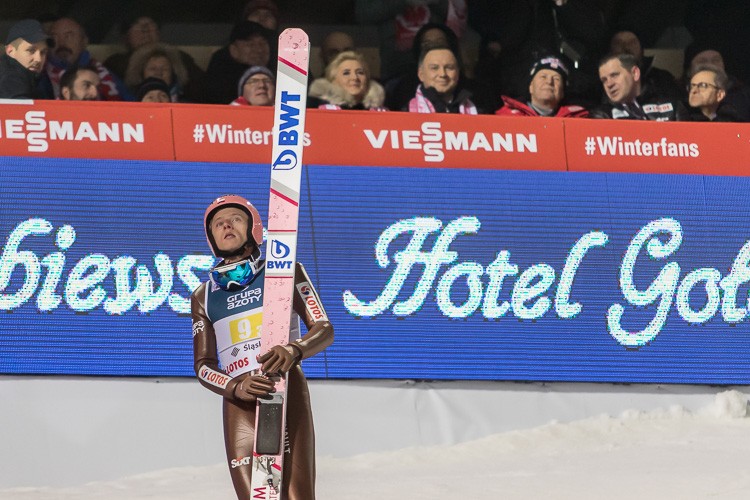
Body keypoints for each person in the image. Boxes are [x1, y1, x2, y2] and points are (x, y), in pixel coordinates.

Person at [191, 195, 333, 500]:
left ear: (254, 228)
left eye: (235, 219)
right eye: (218, 224)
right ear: (211, 237)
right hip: (239, 402)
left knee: (297, 496)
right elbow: (203, 366)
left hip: (284, 387)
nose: (226, 225)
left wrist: (294, 350)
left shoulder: (287, 272)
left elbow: (323, 329)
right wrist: (235, 387)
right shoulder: (203, 296)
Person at [102, 14, 205, 97]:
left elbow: (202, 91)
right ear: (126, 36)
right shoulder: (115, 64)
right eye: (136, 24)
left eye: (151, 23)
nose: (145, 29)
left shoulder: (180, 58)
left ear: (158, 32)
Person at [42, 16, 133, 101]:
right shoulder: (40, 75)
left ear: (84, 42)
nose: (61, 42)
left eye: (69, 36)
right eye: (54, 37)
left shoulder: (104, 75)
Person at [591, 53, 688, 121]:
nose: (609, 84)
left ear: (635, 73)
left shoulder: (672, 107)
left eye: (614, 75)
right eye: (604, 80)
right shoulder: (603, 115)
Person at [204, 20, 275, 104]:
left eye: (263, 43)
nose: (259, 50)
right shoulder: (220, 74)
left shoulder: (279, 69)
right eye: (250, 44)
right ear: (233, 49)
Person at [496, 55, 588, 118]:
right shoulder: (506, 117)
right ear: (531, 87)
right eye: (543, 76)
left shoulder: (578, 119)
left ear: (562, 92)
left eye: (556, 79)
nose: (549, 82)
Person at [608, 30, 682, 102]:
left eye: (632, 42)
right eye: (618, 43)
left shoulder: (662, 79)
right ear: (611, 50)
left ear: (641, 48)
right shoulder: (604, 83)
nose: (626, 47)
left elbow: (678, 106)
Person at [408, 42, 477, 114]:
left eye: (449, 67)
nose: (443, 74)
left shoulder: (477, 110)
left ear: (458, 73)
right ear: (421, 74)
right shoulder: (405, 111)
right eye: (434, 68)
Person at [308, 51, 386, 111]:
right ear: (333, 80)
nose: (354, 78)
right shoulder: (318, 110)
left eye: (360, 72)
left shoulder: (380, 112)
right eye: (346, 73)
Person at [125, 43, 197, 102]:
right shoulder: (127, 102)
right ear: (141, 72)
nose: (158, 73)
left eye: (165, 69)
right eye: (153, 69)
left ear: (173, 73)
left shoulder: (185, 105)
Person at [0, 19, 53, 99]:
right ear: (10, 51)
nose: (38, 59)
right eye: (31, 51)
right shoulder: (10, 79)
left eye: (43, 52)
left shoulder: (37, 80)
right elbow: (19, 106)